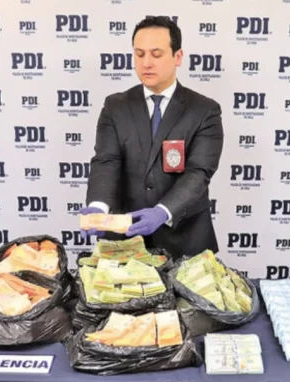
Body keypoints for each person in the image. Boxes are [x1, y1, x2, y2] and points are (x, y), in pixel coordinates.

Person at [80, 16, 224, 259]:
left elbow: (198, 172)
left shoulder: (204, 110)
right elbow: (106, 161)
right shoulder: (115, 106)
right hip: (126, 239)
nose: (146, 63)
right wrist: (98, 206)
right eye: (139, 54)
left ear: (178, 56)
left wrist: (163, 211)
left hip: (185, 239)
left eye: (156, 54)